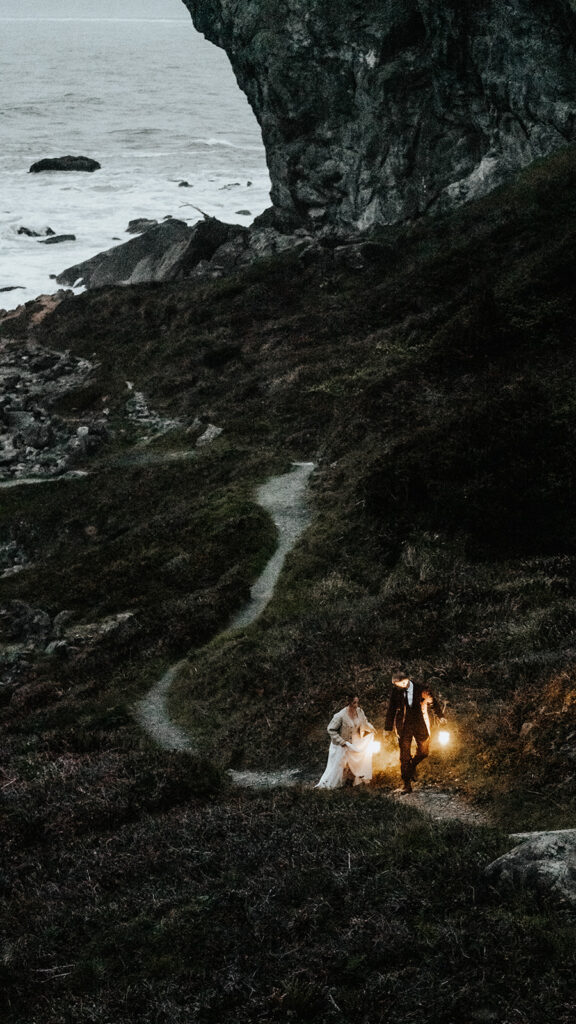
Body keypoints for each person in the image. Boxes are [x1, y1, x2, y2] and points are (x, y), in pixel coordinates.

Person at [384, 670, 446, 794]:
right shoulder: (396, 691)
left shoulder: (421, 689)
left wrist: (440, 716)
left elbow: (433, 702)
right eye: (396, 685)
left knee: (424, 752)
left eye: (399, 684)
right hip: (403, 726)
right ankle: (406, 785)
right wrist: (387, 728)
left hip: (420, 724)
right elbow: (391, 709)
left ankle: (411, 767)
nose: (398, 686)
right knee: (404, 755)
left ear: (405, 680)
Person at [315, 693, 377, 788]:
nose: (356, 705)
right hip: (342, 744)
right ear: (348, 703)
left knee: (356, 762)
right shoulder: (340, 716)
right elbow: (331, 729)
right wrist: (342, 742)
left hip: (356, 741)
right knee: (340, 765)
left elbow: (364, 722)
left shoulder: (360, 711)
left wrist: (371, 729)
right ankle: (337, 784)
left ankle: (351, 782)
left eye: (357, 702)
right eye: (354, 703)